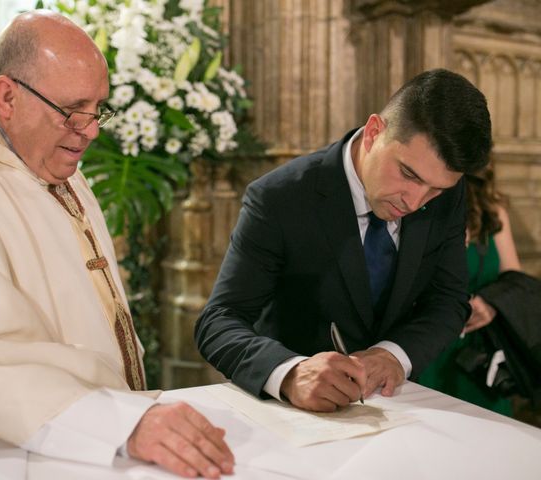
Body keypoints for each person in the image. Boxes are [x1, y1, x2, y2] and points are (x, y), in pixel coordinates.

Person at [0, 11, 234, 479]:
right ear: (7, 97)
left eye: (98, 108)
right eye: (72, 110)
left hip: (74, 451)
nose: (92, 129)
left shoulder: (64, 177)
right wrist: (121, 425)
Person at [195, 69, 493, 412]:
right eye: (408, 174)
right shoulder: (279, 197)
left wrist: (393, 355)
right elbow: (218, 321)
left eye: (436, 189)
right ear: (373, 132)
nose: (414, 202)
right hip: (293, 416)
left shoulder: (447, 198)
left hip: (401, 409)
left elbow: (449, 300)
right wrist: (290, 373)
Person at [418, 162, 521, 415]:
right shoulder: (420, 201)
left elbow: (514, 277)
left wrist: (489, 304)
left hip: (477, 353)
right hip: (429, 344)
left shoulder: (491, 208)